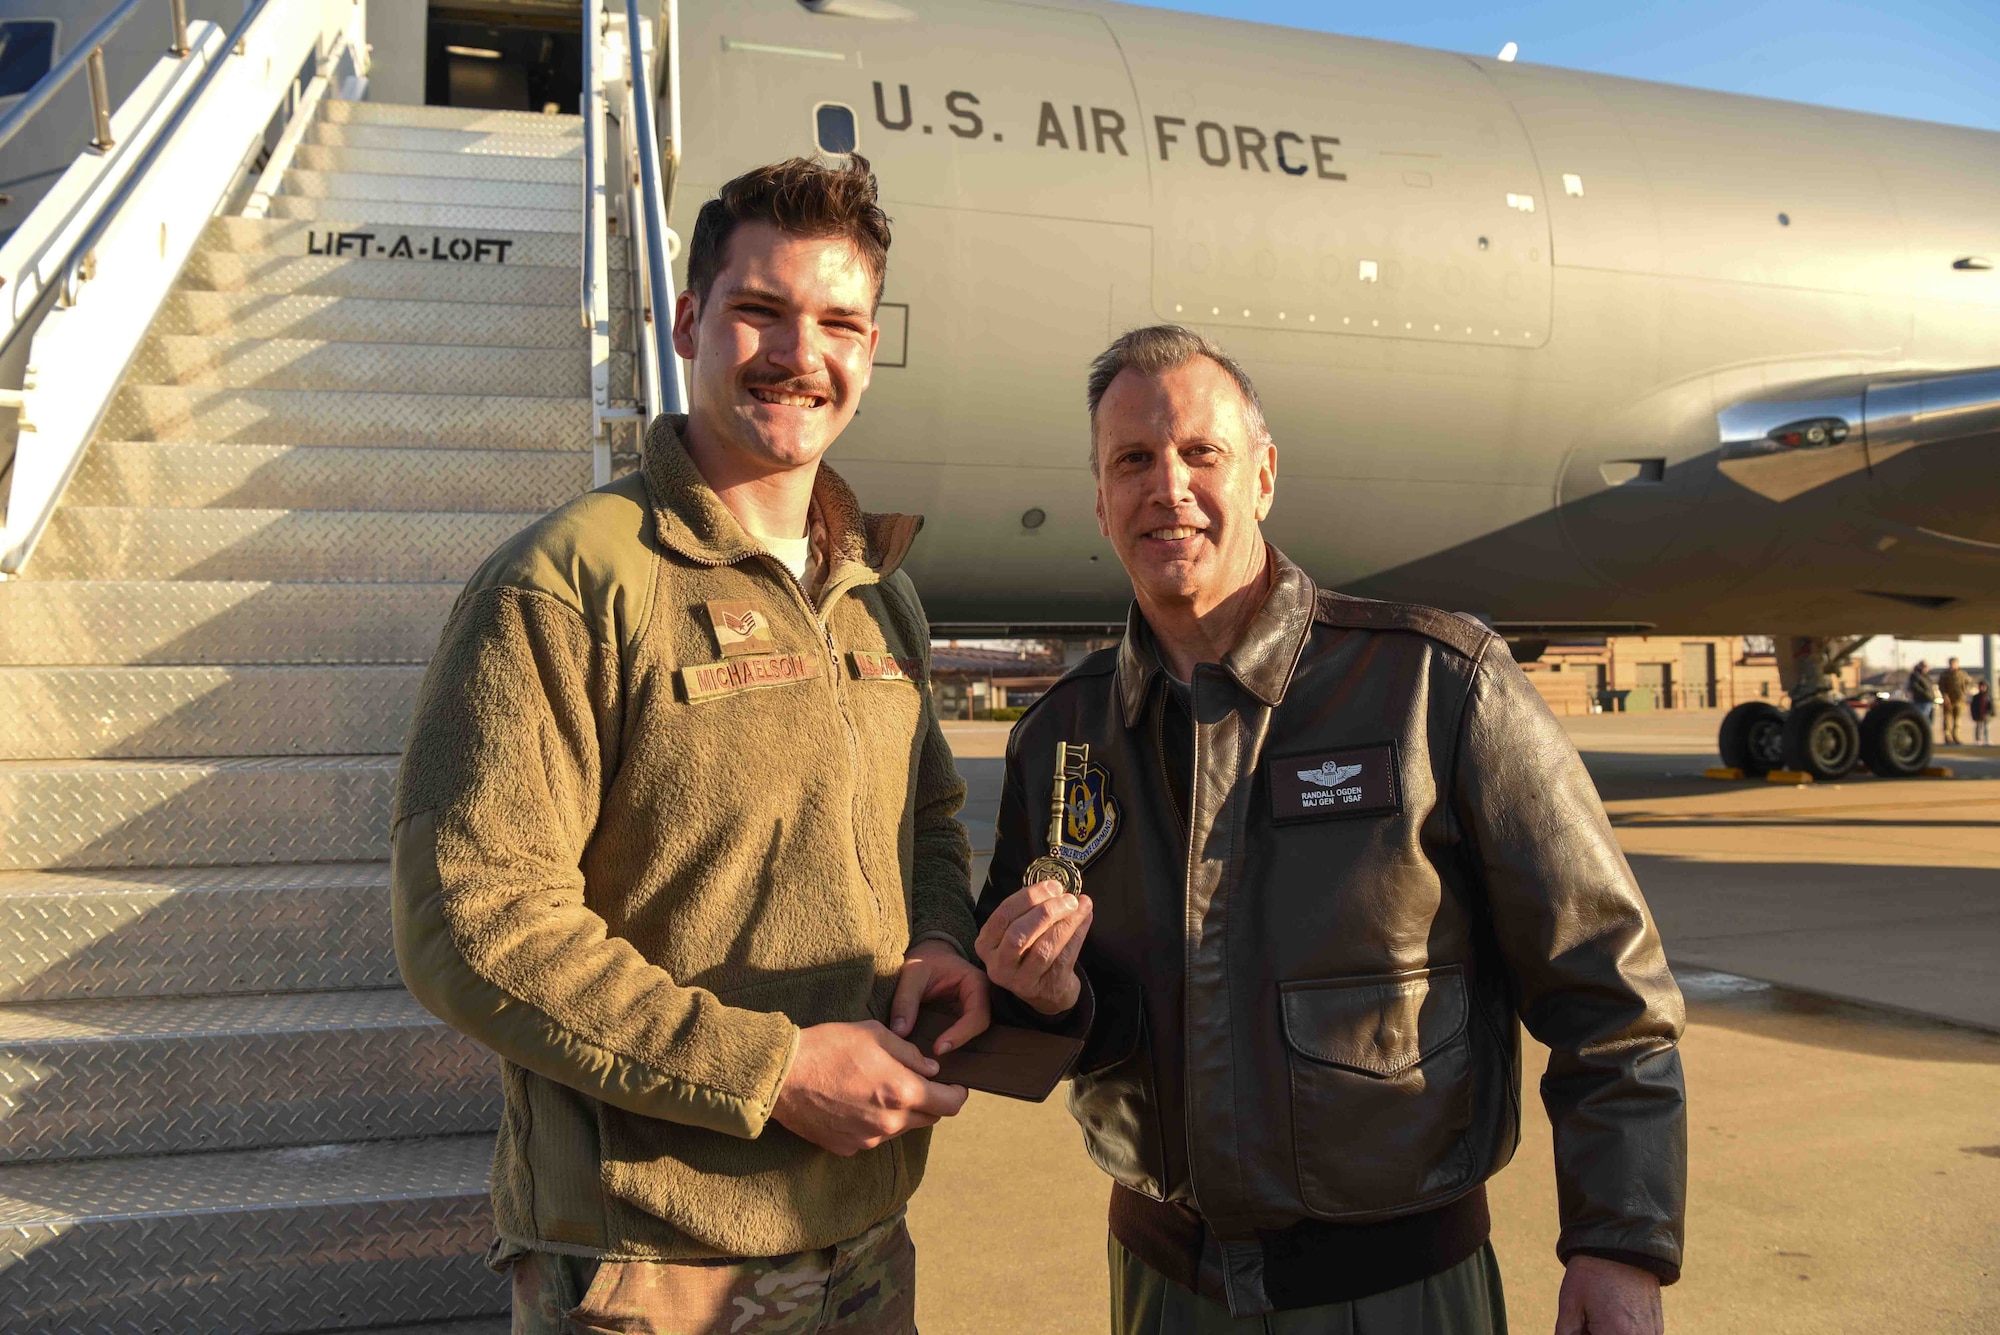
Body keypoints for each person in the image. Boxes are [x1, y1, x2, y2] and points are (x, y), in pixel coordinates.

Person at [977, 326, 1687, 1335]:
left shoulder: (1433, 686)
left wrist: (1618, 1245)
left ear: (1262, 476)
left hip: (1395, 1293)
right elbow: (1026, 1046)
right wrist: (1044, 1002)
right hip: (1162, 1290)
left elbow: (1607, 984)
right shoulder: (1063, 739)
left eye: (1198, 453)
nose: (1166, 486)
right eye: (1130, 461)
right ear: (1099, 503)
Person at [393, 157, 989, 1334]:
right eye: (758, 311)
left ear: (870, 350)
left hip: (864, 1238)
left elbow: (924, 826)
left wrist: (940, 941)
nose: (797, 354)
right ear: (687, 322)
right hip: (645, 1264)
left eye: (836, 324)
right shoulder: (569, 582)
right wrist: (766, 1073)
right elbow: (472, 923)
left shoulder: (876, 597)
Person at [1938, 657, 1972, 745]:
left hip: (1959, 700)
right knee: (1947, 719)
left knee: (1957, 720)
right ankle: (1947, 737)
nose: (1952, 666)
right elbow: (1941, 686)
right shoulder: (1945, 675)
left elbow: (1968, 683)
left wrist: (1964, 693)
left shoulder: (1963, 674)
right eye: (1950, 664)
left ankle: (1956, 736)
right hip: (1948, 700)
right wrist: (1945, 696)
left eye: (1954, 664)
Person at [1907, 660, 1940, 733]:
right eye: (1924, 667)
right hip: (1921, 701)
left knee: (1929, 721)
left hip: (1930, 701)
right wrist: (1926, 694)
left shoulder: (1927, 677)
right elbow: (1915, 687)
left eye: (1927, 667)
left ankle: (1927, 736)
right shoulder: (1915, 676)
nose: (1926, 668)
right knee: (1922, 720)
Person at [1972, 679, 1993, 745]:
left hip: (1986, 714)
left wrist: (1990, 713)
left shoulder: (1988, 696)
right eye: (1980, 686)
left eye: (1983, 687)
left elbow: (1991, 706)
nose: (1982, 688)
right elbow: (1973, 707)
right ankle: (1978, 740)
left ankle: (1987, 739)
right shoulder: (1976, 697)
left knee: (1986, 728)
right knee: (1978, 727)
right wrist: (1974, 715)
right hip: (1978, 714)